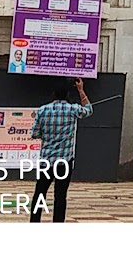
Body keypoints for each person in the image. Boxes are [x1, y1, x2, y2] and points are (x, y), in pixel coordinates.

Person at [29, 78, 92, 223]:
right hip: (65, 160)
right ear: (67, 94)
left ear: (53, 94)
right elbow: (89, 110)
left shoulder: (43, 110)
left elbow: (35, 134)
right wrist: (81, 90)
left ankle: (34, 222)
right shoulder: (73, 109)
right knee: (60, 195)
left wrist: (47, 135)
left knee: (40, 192)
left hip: (46, 160)